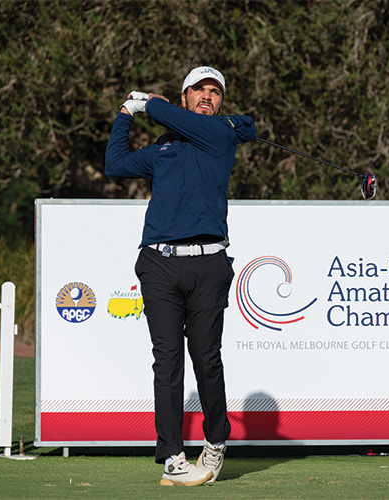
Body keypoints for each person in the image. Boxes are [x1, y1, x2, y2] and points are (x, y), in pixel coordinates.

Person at [104, 66, 256, 486]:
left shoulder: (220, 135)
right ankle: (172, 455)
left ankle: (216, 439)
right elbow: (115, 164)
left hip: (208, 264)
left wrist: (147, 103)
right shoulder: (164, 147)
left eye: (215, 91)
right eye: (199, 89)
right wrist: (125, 114)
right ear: (184, 96)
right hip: (160, 263)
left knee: (206, 358)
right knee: (167, 359)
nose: (207, 96)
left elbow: (237, 123)